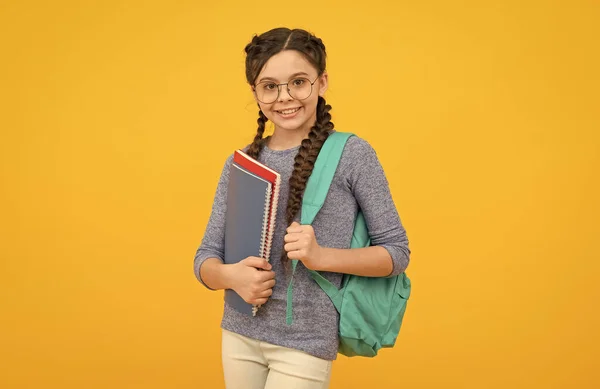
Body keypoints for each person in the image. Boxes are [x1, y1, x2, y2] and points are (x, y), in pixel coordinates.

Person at [194, 27, 410, 389]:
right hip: (238, 332)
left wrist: (321, 256)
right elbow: (206, 256)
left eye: (298, 82)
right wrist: (231, 277)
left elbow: (396, 253)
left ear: (321, 82)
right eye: (270, 86)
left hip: (305, 343)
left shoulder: (352, 155)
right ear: (255, 92)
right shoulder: (242, 163)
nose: (285, 97)